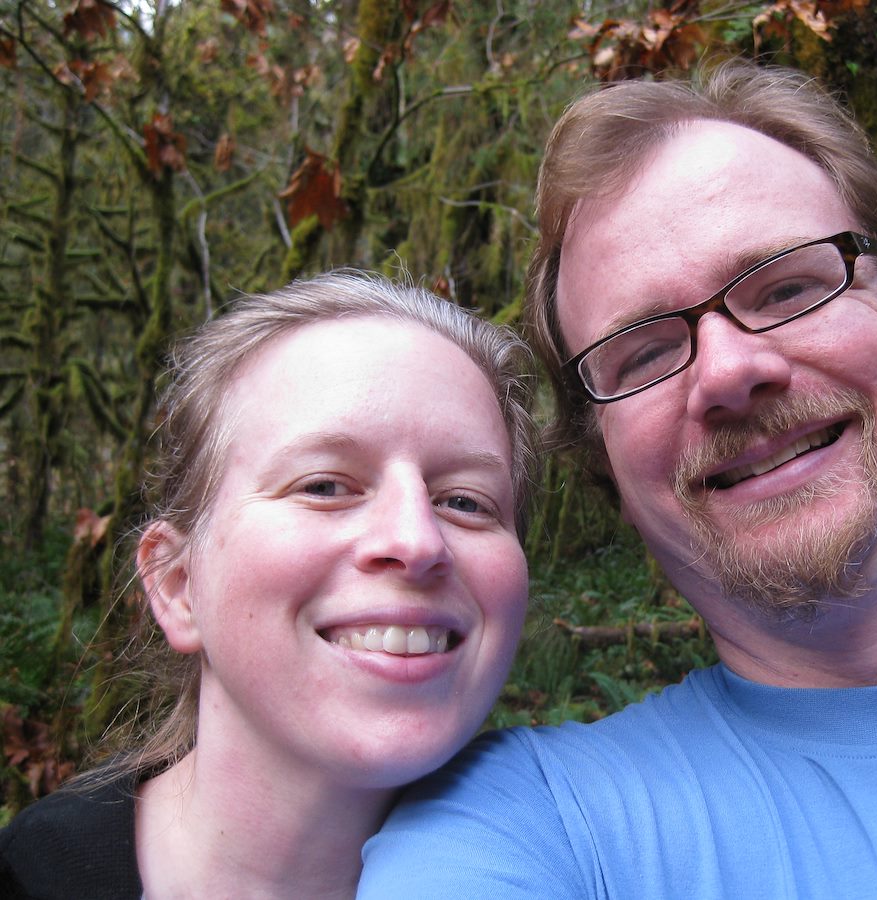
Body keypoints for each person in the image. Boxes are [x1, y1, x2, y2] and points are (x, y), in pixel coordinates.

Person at [358, 60, 877, 898]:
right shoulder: (537, 828)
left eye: (790, 287)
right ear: (604, 456)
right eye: (645, 351)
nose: (726, 373)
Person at [0, 271, 538, 899]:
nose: (417, 541)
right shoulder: (32, 879)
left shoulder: (596, 866)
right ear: (177, 585)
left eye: (466, 501)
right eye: (325, 486)